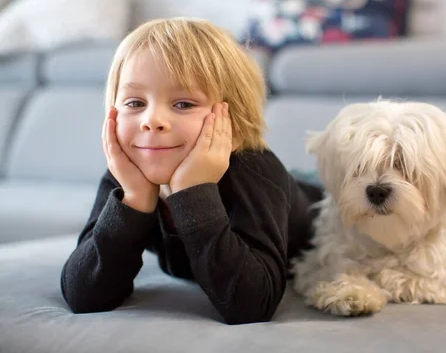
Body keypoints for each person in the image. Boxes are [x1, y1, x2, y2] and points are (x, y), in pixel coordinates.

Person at [60, 17, 323, 325]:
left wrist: (192, 194)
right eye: (134, 102)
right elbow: (83, 296)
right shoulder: (127, 174)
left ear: (233, 125)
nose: (152, 120)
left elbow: (252, 307)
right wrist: (133, 200)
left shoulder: (255, 170)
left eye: (183, 104)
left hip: (316, 205)